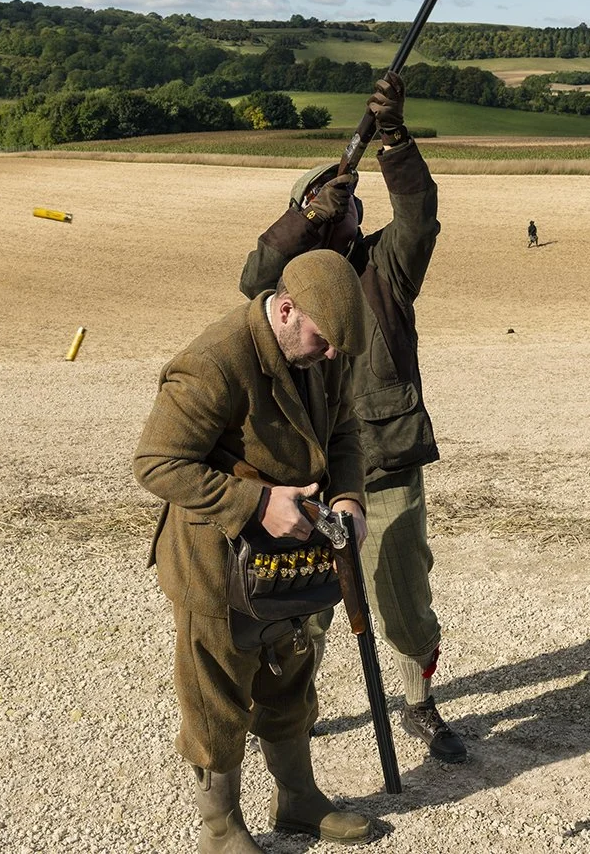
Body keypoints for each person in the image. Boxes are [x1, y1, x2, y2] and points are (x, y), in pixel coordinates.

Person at [240, 70, 468, 765]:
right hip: (304, 465)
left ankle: (419, 703)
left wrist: (394, 138)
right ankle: (292, 710)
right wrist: (308, 215)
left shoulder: (386, 268)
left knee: (403, 596)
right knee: (301, 600)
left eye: (350, 201)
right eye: (333, 200)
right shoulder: (284, 289)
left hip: (384, 455)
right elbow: (252, 277)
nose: (348, 209)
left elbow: (422, 215)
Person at [134, 249, 374, 852]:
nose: (331, 358)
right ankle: (219, 827)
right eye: (322, 343)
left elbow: (343, 431)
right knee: (216, 695)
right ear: (287, 310)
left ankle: (297, 800)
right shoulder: (215, 361)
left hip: (292, 561)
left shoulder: (324, 352)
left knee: (291, 677)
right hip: (216, 564)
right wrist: (256, 505)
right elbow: (157, 463)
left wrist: (349, 499)